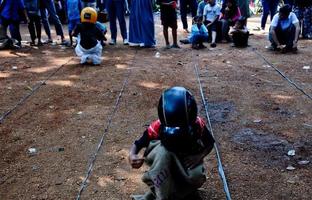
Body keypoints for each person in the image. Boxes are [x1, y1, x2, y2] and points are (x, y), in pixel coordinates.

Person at [129, 86, 215, 200]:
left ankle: (183, 192)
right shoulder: (158, 126)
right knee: (163, 155)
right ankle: (161, 194)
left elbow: (210, 143)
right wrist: (132, 154)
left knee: (196, 176)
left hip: (187, 156)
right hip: (164, 155)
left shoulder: (198, 125)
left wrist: (198, 156)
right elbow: (139, 143)